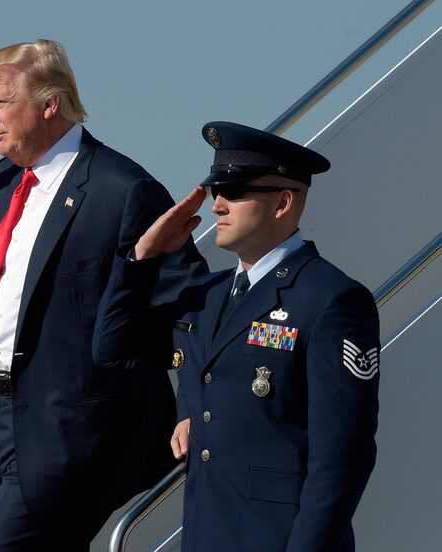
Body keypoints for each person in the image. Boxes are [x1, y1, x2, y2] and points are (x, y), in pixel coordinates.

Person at [0, 39, 206, 551]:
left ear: (50, 103)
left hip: (77, 430)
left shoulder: (121, 188)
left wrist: (193, 406)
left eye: (0, 102)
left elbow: (187, 306)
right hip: (1, 421)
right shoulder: (6, 180)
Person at [94, 121, 380, 551]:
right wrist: (143, 257)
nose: (217, 207)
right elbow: (112, 347)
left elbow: (343, 455)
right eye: (215, 193)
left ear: (283, 202)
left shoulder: (331, 299)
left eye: (235, 192)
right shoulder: (204, 299)